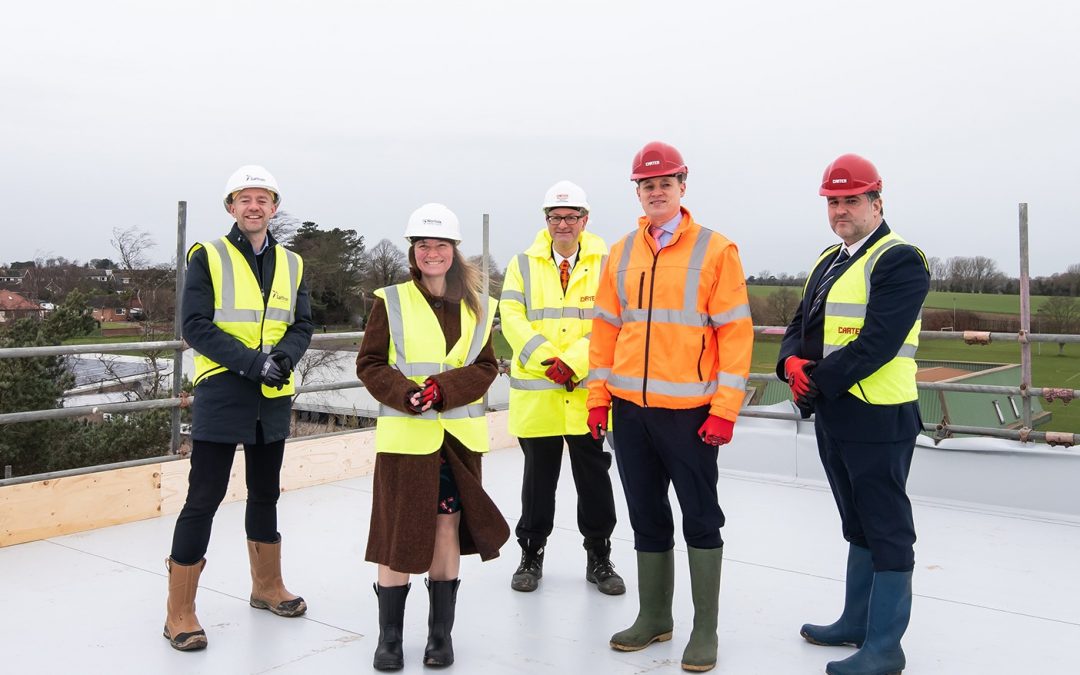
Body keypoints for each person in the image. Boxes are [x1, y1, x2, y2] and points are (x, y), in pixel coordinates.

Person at [588, 141, 753, 672]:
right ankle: (655, 616)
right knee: (646, 516)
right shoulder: (620, 252)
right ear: (637, 191)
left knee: (701, 518)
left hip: (691, 416)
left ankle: (705, 629)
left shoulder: (716, 250)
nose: (656, 191)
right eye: (646, 184)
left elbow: (735, 334)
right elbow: (605, 332)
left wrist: (725, 409)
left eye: (665, 182)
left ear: (683, 185)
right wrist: (598, 399)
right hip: (630, 413)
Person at [777, 154, 929, 675]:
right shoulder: (829, 259)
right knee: (856, 521)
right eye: (833, 201)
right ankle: (856, 623)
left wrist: (813, 381)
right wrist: (789, 363)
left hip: (879, 417)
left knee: (887, 527)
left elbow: (879, 343)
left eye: (851, 200)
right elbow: (800, 323)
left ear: (876, 201)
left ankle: (886, 648)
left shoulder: (900, 259)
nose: (841, 210)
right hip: (835, 414)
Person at [164, 165, 314, 651]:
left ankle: (267, 587)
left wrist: (284, 360)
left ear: (274, 207)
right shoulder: (207, 255)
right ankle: (179, 612)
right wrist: (255, 363)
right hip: (223, 390)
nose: (254, 207)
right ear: (231, 207)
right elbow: (195, 325)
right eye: (244, 199)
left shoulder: (292, 263)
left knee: (265, 493)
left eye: (262, 199)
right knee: (203, 498)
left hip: (270, 397)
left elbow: (303, 323)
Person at [356, 203, 510, 671]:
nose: (431, 252)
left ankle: (440, 636)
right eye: (423, 245)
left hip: (457, 440)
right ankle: (390, 639)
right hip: (406, 440)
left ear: (453, 250)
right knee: (398, 532)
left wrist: (444, 390)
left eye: (440, 244)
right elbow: (370, 364)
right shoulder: (392, 300)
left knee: (448, 527)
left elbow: (486, 367)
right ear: (413, 251)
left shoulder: (479, 306)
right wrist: (406, 394)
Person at [499, 180, 624, 596]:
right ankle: (531, 554)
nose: (564, 224)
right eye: (556, 217)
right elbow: (512, 318)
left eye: (571, 217)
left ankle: (599, 557)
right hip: (538, 397)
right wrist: (548, 361)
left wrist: (573, 362)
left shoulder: (608, 264)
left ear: (585, 220)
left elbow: (612, 323)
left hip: (588, 397)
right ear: (546, 221)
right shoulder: (522, 264)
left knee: (594, 480)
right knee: (538, 482)